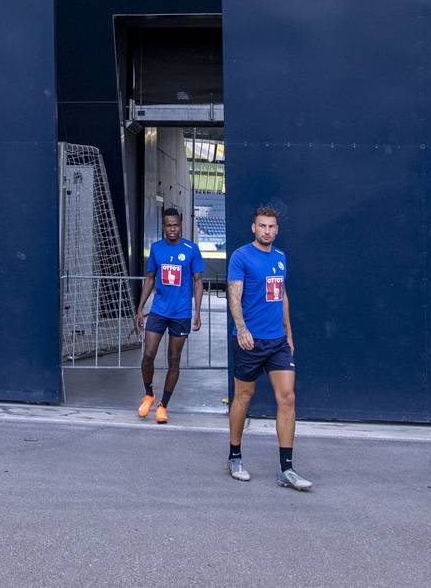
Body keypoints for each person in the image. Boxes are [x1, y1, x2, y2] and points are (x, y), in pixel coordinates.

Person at [225, 205, 310, 490]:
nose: (267, 231)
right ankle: (234, 456)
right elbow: (234, 296)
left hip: (277, 343)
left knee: (287, 399)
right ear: (254, 228)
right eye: (262, 226)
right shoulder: (241, 256)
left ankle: (286, 469)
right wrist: (242, 329)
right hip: (250, 341)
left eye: (272, 227)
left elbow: (282, 295)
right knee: (243, 398)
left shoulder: (281, 257)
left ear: (277, 229)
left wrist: (289, 333)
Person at [133, 206, 205, 424]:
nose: (172, 229)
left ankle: (163, 405)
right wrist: (140, 308)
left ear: (180, 224)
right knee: (148, 355)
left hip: (181, 313)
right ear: (163, 226)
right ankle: (149, 393)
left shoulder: (191, 249)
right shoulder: (156, 249)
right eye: (168, 225)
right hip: (159, 311)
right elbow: (150, 278)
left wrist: (198, 312)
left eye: (175, 225)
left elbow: (198, 281)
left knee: (174, 359)